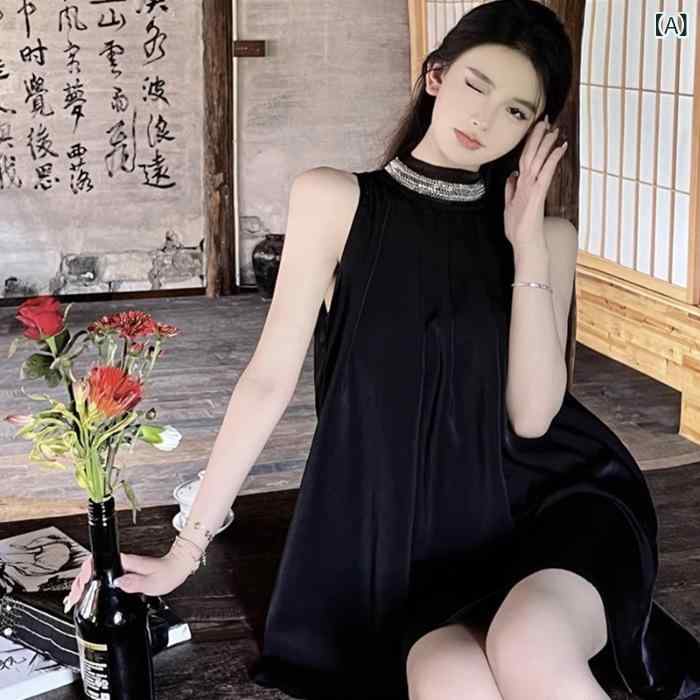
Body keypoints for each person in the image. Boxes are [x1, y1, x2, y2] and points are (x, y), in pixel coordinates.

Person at [65, 1, 700, 698]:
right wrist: (186, 549)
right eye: (476, 85)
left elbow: (533, 416)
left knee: (527, 645)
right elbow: (267, 380)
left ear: (536, 130)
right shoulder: (335, 201)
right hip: (425, 536)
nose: (485, 120)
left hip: (554, 511)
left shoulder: (546, 240)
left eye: (517, 112)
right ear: (436, 76)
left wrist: (525, 245)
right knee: (445, 675)